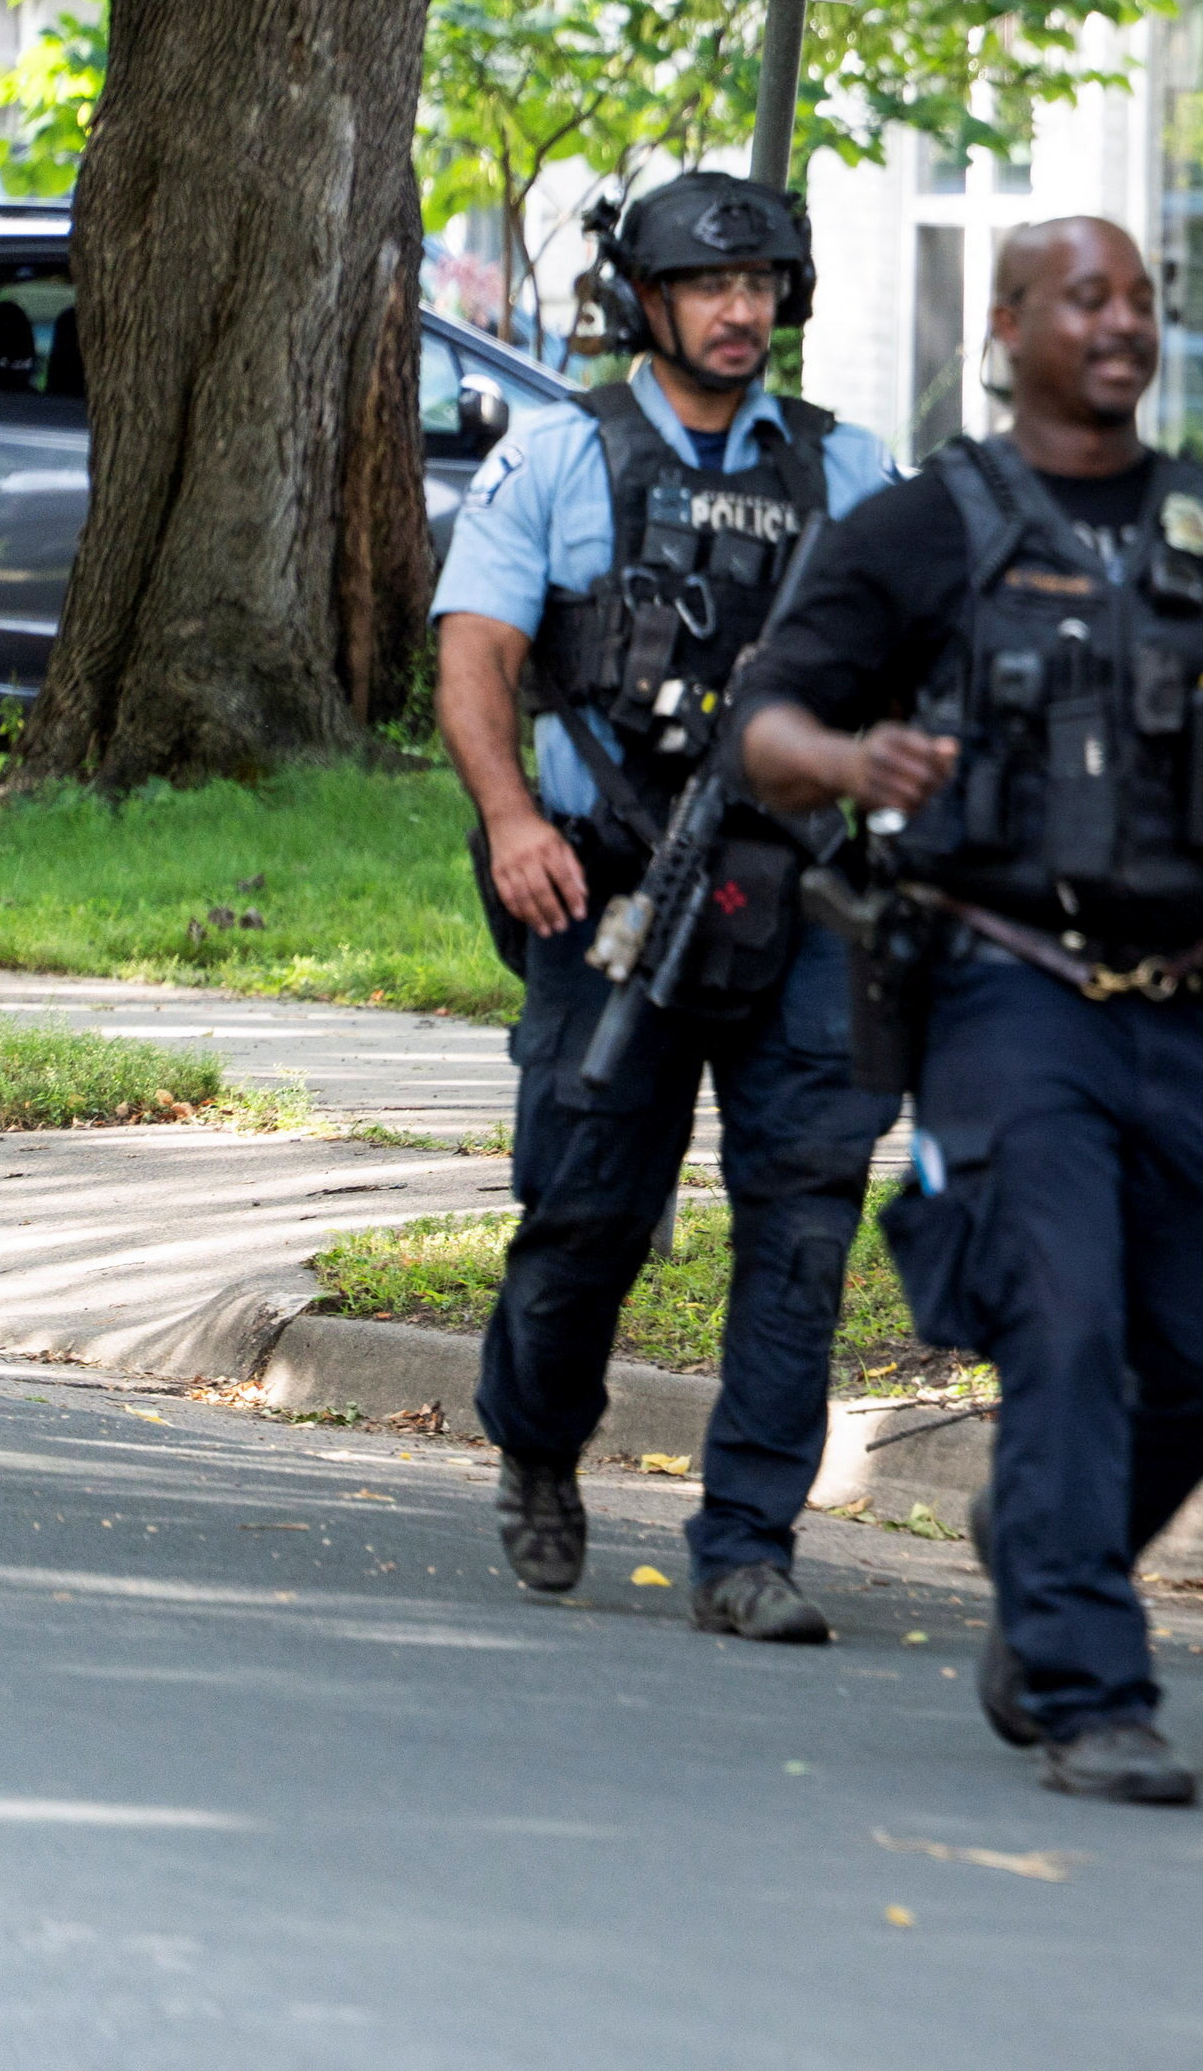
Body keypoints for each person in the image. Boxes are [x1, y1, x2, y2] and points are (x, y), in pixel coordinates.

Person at [733, 216, 1203, 1808]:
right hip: (1003, 996)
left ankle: (1044, 1544)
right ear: (1007, 327)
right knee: (1063, 1319)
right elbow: (769, 729)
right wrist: (853, 763)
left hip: (1188, 1008)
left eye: (1144, 299)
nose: (1123, 323)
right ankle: (1086, 1685)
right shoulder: (919, 532)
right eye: (1087, 298)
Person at [430, 170, 903, 1643]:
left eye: (762, 282)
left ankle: (748, 1543)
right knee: (584, 1210)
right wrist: (510, 820)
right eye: (710, 284)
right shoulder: (562, 456)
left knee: (808, 1215)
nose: (740, 307)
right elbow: (476, 658)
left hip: (803, 889)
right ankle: (536, 1441)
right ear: (650, 302)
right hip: (602, 881)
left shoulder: (853, 470)